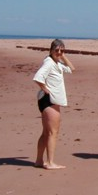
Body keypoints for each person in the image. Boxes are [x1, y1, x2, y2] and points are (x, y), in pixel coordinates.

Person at [33, 39, 75, 169]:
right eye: (56, 50)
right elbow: (38, 77)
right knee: (53, 132)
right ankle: (50, 162)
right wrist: (46, 90)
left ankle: (39, 161)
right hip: (49, 101)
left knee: (46, 132)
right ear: (51, 50)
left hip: (48, 101)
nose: (59, 52)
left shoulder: (56, 62)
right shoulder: (49, 63)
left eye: (62, 50)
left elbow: (71, 69)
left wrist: (63, 56)